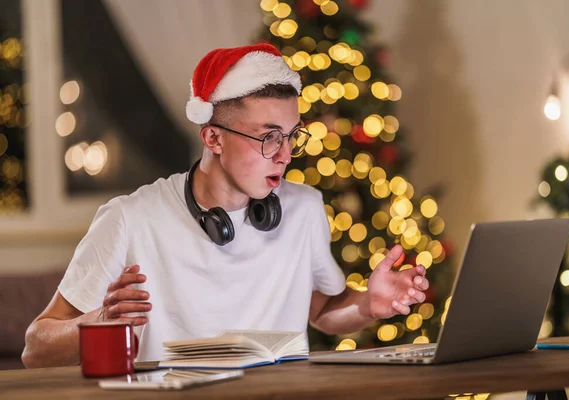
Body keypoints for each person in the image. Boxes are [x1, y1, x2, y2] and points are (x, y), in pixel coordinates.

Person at [21, 43, 429, 368]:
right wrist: (98, 323)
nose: (285, 155)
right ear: (213, 138)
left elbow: (323, 311)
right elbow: (37, 348)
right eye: (269, 136)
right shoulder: (130, 218)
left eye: (291, 136)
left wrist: (369, 304)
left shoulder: (304, 207)